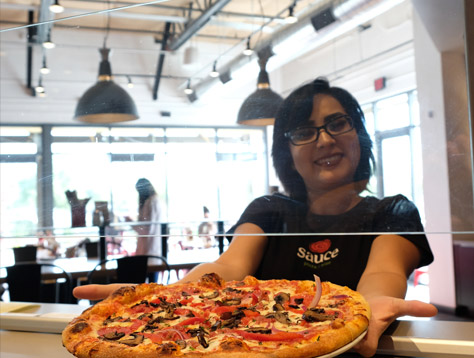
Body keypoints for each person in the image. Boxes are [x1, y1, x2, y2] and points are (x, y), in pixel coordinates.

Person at [74, 78, 438, 357]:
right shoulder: (269, 209)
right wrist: (168, 298)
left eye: (337, 123)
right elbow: (228, 267)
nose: (325, 140)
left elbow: (383, 273)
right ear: (286, 152)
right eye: (304, 132)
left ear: (358, 134)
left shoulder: (394, 210)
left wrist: (367, 306)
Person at [127, 178, 162, 257]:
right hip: (151, 248)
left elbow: (146, 230)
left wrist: (131, 223)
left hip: (149, 249)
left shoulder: (151, 202)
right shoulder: (154, 201)